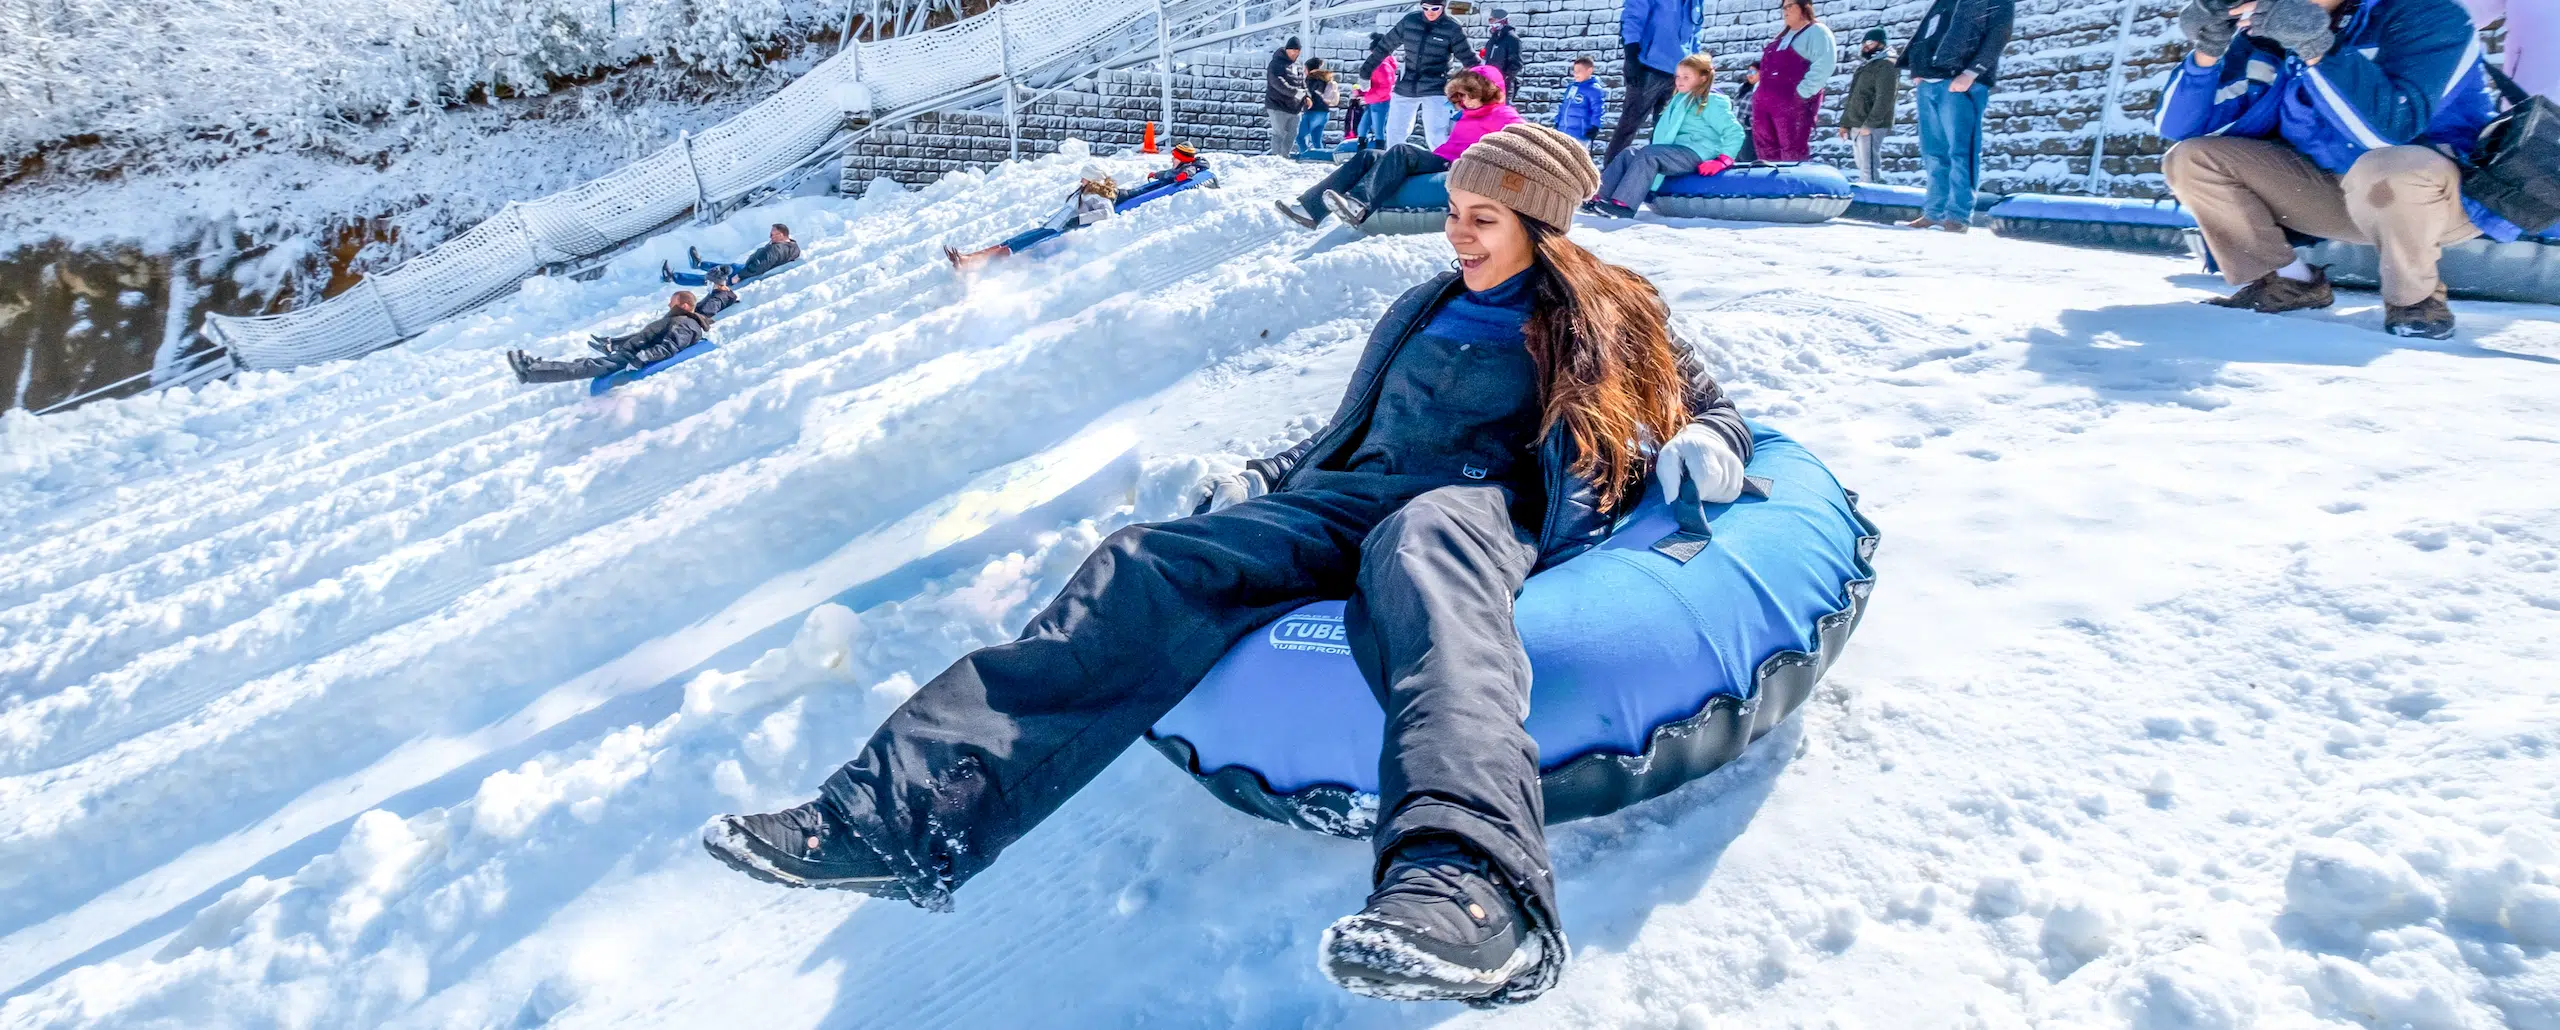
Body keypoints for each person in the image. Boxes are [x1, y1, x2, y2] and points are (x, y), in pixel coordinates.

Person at [703, 122, 1753, 1007]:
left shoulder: (1604, 308)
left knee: (1422, 563)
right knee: (1146, 562)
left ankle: (1472, 888)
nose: (1456, 232)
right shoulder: (1428, 305)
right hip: (1354, 496)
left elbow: (1702, 401)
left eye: (1482, 218)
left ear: (1539, 224)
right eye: (1452, 212)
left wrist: (1712, 440)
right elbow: (1350, 431)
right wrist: (1266, 476)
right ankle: (891, 818)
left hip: (1477, 505)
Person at [2158, 0, 2507, 339]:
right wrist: (2208, 50)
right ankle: (2290, 282)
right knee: (2192, 158)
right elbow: (2179, 126)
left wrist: (2315, 45)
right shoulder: (2268, 33)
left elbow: (2388, 131)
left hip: (2437, 199)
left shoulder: (2431, 14)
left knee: (2386, 168)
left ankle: (2416, 301)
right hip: (2336, 194)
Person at [1277, 66, 1521, 228]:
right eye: (1461, 94)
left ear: (1489, 92)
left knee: (1402, 150)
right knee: (1369, 155)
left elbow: (1524, 136)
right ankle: (1309, 209)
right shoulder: (1469, 114)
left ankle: (1359, 204)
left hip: (1456, 164)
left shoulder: (1502, 114)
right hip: (1440, 159)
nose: (1464, 100)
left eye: (1470, 94)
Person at [1897, 0, 2013, 231]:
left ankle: (1958, 216)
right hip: (1929, 82)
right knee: (1933, 153)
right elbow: (1928, 30)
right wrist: (1917, 67)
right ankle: (1933, 212)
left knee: (1961, 152)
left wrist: (1971, 72)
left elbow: (1999, 34)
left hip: (1961, 82)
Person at [1586, 52, 1744, 217]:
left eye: (1686, 77)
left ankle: (1624, 205)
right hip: (1677, 150)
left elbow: (1735, 132)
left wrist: (1722, 161)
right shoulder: (1681, 98)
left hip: (1698, 152)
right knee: (1629, 153)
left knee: (1649, 155)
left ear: (1702, 78)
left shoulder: (1711, 101)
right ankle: (1598, 197)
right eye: (1678, 76)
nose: (1680, 81)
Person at [506, 291, 712, 384]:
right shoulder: (678, 320)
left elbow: (670, 347)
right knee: (583, 363)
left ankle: (530, 371)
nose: (668, 305)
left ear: (685, 305)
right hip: (628, 354)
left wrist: (642, 358)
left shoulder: (685, 323)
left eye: (672, 302)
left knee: (584, 366)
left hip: (631, 359)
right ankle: (535, 367)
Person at [946, 166, 1119, 270]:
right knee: (1009, 242)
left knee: (1014, 247)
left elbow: (1106, 213)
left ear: (1091, 179)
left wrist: (1079, 220)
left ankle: (971, 265)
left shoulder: (1095, 195)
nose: (1081, 180)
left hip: (1057, 230)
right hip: (1050, 226)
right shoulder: (1083, 192)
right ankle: (968, 258)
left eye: (1084, 178)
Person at [1362, 0, 1474, 148]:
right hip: (1406, 84)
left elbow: (1469, 58)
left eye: (1435, 8)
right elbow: (1384, 46)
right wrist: (1366, 71)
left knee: (1436, 133)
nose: (1430, 12)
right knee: (1395, 131)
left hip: (1436, 86)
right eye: (1425, 8)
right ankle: (1393, 159)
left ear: (1443, 7)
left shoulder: (1452, 28)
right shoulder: (1410, 21)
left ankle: (1442, 160)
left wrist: (1483, 84)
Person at [1607, 0, 1706, 162]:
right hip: (1648, 68)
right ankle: (1611, 169)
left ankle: (1655, 170)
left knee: (1666, 129)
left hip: (1678, 75)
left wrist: (1695, 67)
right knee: (1629, 124)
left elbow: (1694, 36)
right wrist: (1631, 55)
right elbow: (1633, 16)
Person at [1753, 0, 1837, 162]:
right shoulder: (1781, 37)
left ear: (1804, 6)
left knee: (1792, 152)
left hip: (1792, 105)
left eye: (1790, 6)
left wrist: (1802, 93)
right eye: (1784, 7)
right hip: (1764, 105)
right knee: (1766, 153)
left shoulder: (1817, 32)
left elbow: (1824, 64)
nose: (1785, 11)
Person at [1838, 28, 1899, 181]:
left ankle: (1874, 195)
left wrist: (1870, 124)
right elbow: (1854, 96)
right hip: (1857, 123)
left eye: (1870, 42)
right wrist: (1845, 123)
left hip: (1870, 125)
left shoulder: (1886, 65)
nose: (1865, 46)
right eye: (1863, 43)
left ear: (1881, 44)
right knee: (1863, 167)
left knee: (1869, 170)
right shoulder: (1866, 66)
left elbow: (1885, 98)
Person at [664, 224, 799, 287]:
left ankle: (674, 277)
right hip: (746, 268)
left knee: (711, 278)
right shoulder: (793, 246)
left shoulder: (776, 249)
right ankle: (699, 264)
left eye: (772, 234)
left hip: (747, 273)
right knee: (727, 267)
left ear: (781, 235)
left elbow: (760, 266)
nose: (770, 237)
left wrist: (740, 276)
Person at [1552, 56, 1609, 142]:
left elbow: (1598, 110)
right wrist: (1557, 122)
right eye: (1574, 71)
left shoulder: (1594, 89)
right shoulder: (1571, 87)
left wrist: (1595, 127)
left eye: (1578, 71)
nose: (1575, 74)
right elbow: (1564, 106)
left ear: (1589, 71)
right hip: (1563, 132)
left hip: (1580, 135)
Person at [1269, 37, 1310, 157]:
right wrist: (1295, 92)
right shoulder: (1276, 63)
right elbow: (1277, 82)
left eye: (1297, 51)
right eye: (1292, 51)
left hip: (1294, 106)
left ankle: (1284, 156)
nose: (1295, 53)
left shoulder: (1297, 65)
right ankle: (1276, 158)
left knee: (1292, 133)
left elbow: (1302, 82)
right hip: (1277, 104)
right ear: (1286, 50)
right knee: (1279, 133)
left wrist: (1306, 96)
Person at [1357, 36, 1400, 150]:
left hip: (1380, 101)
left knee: (1378, 129)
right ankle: (1363, 149)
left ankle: (1378, 151)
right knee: (1363, 127)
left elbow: (1385, 88)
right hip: (1374, 100)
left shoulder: (1382, 66)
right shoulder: (1382, 65)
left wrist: (1367, 97)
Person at [1300, 58, 1340, 156]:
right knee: (1316, 141)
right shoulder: (1325, 79)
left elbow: (1307, 94)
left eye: (1305, 69)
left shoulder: (1311, 79)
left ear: (1309, 69)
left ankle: (1305, 156)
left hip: (1313, 112)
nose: (1304, 71)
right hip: (1324, 113)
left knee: (1299, 137)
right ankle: (1321, 158)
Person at [1480, 8, 1526, 88]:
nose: (1491, 24)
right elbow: (1486, 58)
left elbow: (1516, 63)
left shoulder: (1512, 39)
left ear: (1503, 21)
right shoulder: (1493, 39)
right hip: (1489, 83)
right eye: (1490, 21)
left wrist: (1505, 78)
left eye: (1493, 20)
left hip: (1504, 84)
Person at [1734, 61, 1762, 162]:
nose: (1749, 75)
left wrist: (1749, 121)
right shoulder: (1744, 88)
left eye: (1753, 72)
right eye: (1748, 72)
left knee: (1747, 159)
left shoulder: (1762, 90)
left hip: (1751, 132)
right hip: (1738, 131)